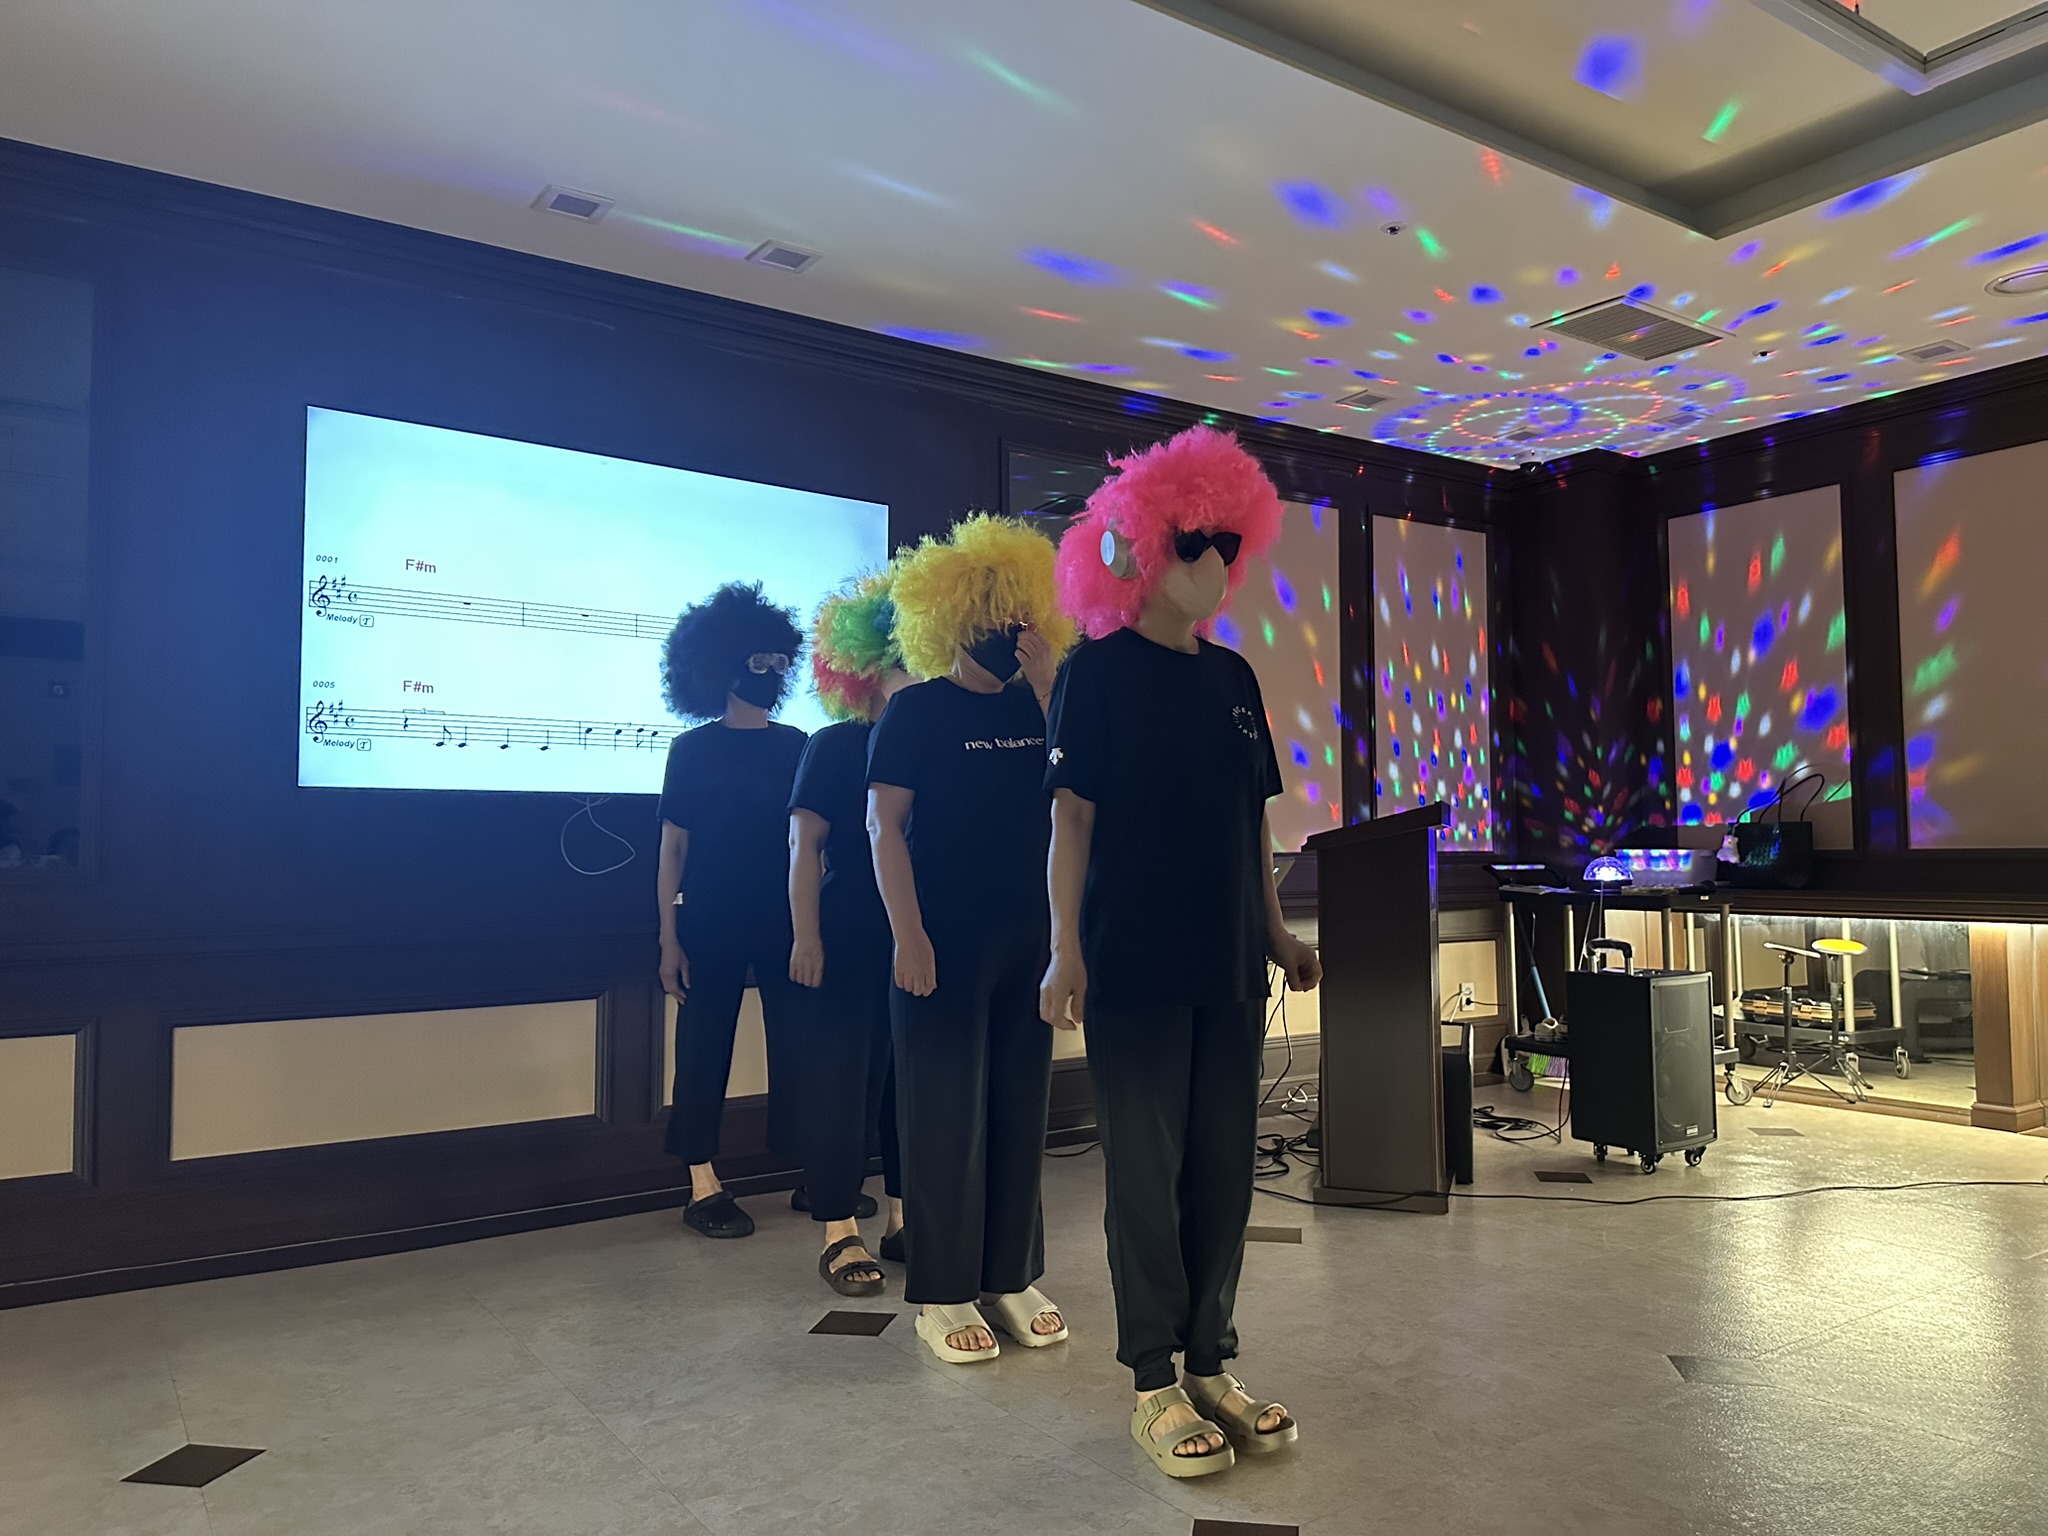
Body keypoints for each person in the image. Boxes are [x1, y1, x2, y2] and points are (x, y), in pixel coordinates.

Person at [1040, 425, 1324, 1479]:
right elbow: (1069, 821)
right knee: (1145, 1174)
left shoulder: (1235, 679)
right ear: (1139, 548)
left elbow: (1255, 822)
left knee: (1222, 1173)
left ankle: (1210, 1360)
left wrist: (1276, 931)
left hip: (1227, 962)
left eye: (1225, 545)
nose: (1211, 563)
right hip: (1132, 961)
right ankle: (1152, 1379)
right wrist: (1062, 951)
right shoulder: (1095, 674)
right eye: (1193, 542)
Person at [866, 514, 1075, 1364]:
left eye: (1019, 617)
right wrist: (907, 936)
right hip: (940, 944)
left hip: (1030, 942)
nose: (1007, 633)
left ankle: (1009, 1276)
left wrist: (1052, 691)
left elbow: (1079, 803)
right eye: (991, 618)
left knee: (1021, 1112)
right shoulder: (916, 710)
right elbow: (882, 828)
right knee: (944, 1116)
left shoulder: (1043, 705)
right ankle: (942, 1291)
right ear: (952, 619)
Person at [657, 581, 808, 1239]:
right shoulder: (691, 749)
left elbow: (813, 843)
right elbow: (673, 849)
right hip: (711, 915)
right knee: (703, 1042)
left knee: (801, 1040)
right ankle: (701, 1181)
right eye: (758, 661)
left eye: (779, 661)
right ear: (723, 665)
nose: (771, 672)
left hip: (787, 917)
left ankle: (812, 1171)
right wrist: (668, 936)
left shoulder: (799, 743)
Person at [787, 572, 912, 1296]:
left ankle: (901, 1220)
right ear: (865, 667)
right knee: (842, 1082)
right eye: (898, 659)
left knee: (906, 1084)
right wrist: (806, 936)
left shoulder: (930, 740)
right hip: (846, 935)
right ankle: (839, 1230)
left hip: (916, 938)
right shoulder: (833, 745)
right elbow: (803, 848)